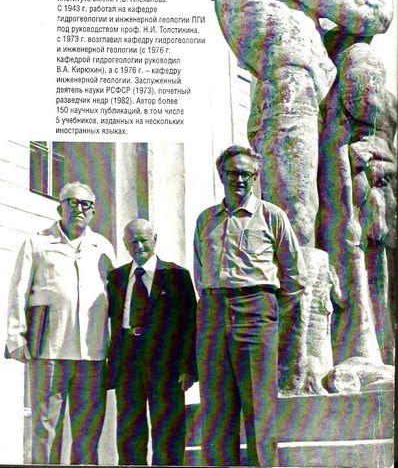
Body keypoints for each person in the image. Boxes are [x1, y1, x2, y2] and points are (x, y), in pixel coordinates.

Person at [213, 0, 393, 248]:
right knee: (297, 208)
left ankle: (313, 273)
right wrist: (376, 2)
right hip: (291, 80)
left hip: (298, 81)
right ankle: (301, 279)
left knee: (312, 203)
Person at [194, 144, 307, 467]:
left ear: (256, 177)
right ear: (221, 175)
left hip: (256, 311)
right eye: (232, 173)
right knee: (215, 406)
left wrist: (268, 312)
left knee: (258, 406)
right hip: (214, 311)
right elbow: (200, 272)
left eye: (246, 174)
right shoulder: (206, 220)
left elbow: (295, 277)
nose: (239, 180)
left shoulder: (272, 216)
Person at [6, 181, 116, 464]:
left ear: (93, 212)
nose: (79, 208)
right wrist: (16, 337)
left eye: (85, 204)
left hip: (91, 354)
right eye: (72, 202)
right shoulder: (37, 243)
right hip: (49, 352)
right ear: (60, 208)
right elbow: (18, 291)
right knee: (45, 428)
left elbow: (115, 298)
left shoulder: (103, 247)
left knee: (88, 430)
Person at [107, 218, 197, 466]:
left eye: (143, 240)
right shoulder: (116, 278)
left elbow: (190, 323)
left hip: (166, 361)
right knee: (129, 432)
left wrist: (188, 367)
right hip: (128, 359)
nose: (138, 246)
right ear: (125, 244)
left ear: (154, 239)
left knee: (168, 431)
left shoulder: (176, 275)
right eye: (132, 241)